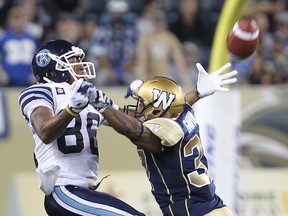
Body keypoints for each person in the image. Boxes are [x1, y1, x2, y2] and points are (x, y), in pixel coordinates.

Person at [88, 64, 237, 215]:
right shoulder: (181, 112)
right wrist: (197, 92)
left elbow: (132, 130)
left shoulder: (168, 129)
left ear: (158, 109)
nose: (137, 108)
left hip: (189, 209)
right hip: (215, 207)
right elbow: (180, 104)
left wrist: (103, 107)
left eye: (142, 103)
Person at [18, 39, 145, 216]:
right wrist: (72, 109)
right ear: (54, 69)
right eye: (73, 60)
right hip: (63, 189)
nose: (80, 65)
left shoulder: (87, 92)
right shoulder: (41, 92)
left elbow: (130, 120)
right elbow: (45, 132)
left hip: (84, 190)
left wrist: (155, 102)